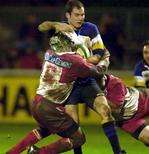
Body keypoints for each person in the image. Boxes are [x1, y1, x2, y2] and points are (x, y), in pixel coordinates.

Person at [7, 31, 124, 154]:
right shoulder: (75, 61)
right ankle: (38, 153)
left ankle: (11, 153)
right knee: (79, 138)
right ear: (66, 44)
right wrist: (105, 59)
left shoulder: (49, 53)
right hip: (51, 107)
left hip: (37, 102)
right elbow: (98, 72)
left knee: (44, 130)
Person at [37, 1, 123, 154]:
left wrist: (80, 62)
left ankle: (118, 151)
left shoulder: (91, 28)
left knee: (105, 110)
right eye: (76, 15)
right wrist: (55, 24)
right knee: (75, 126)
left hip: (87, 80)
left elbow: (99, 54)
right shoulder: (60, 29)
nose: (80, 18)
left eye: (82, 14)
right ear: (67, 15)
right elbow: (41, 27)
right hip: (68, 85)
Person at [103, 74, 149, 149]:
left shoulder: (114, 82)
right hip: (126, 120)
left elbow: (117, 108)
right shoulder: (92, 91)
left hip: (141, 101)